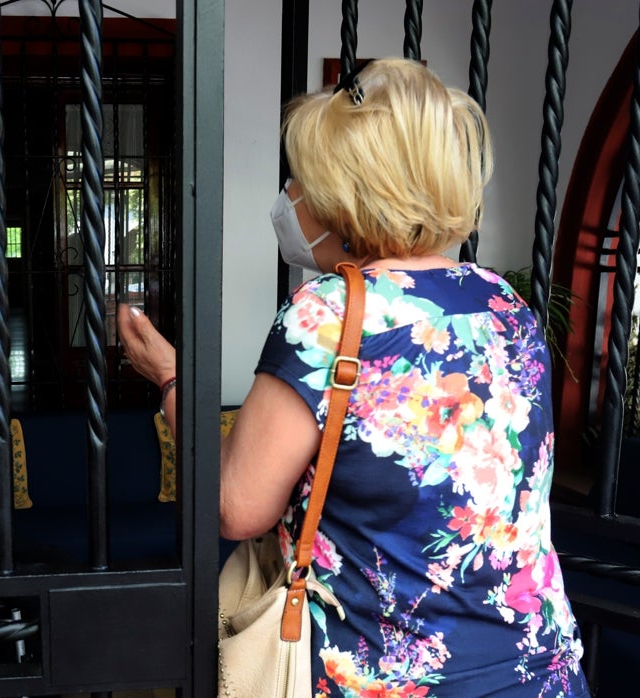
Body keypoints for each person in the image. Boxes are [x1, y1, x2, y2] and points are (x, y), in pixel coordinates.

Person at [118, 59, 589, 695]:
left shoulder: (329, 315)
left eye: (302, 180)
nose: (292, 196)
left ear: (345, 194)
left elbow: (237, 506)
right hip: (538, 671)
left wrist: (171, 377)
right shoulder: (506, 305)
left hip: (395, 681)